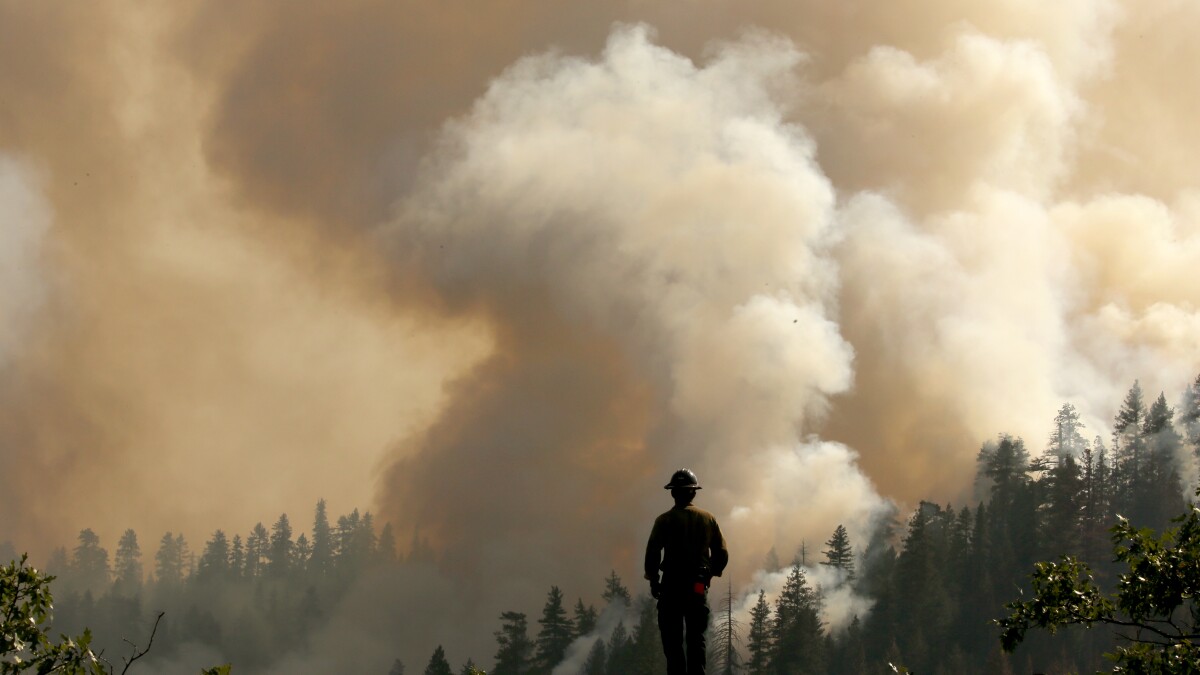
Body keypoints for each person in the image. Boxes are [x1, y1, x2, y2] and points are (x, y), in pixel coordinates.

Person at [644, 468, 729, 675]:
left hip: (671, 586)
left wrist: (654, 581)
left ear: (673, 493)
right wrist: (710, 574)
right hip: (697, 586)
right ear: (694, 492)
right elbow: (722, 552)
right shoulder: (708, 519)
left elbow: (653, 553)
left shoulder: (664, 520)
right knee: (696, 638)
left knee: (672, 642)